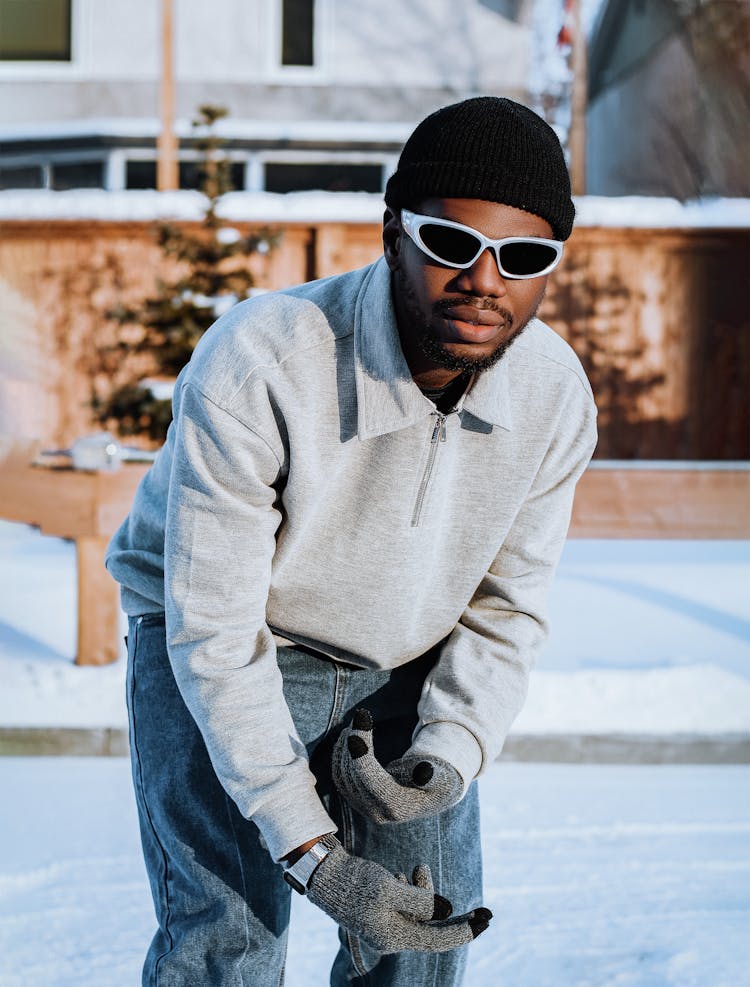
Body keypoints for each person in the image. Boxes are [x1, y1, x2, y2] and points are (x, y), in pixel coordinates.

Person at [106, 96, 597, 986]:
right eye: (452, 243)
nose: (485, 280)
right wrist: (314, 855)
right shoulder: (260, 362)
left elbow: (506, 610)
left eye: (523, 257)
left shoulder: (555, 399)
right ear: (392, 232)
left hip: (406, 651)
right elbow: (213, 631)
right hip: (227, 639)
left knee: (417, 939)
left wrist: (446, 762)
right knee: (231, 940)